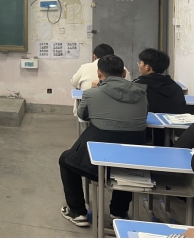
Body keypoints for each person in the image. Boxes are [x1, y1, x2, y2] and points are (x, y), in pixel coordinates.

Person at [59, 55, 148, 227]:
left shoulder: (92, 93)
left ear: (99, 74)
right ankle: (119, 211)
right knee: (126, 163)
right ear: (124, 73)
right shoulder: (141, 93)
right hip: (134, 161)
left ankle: (78, 212)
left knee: (65, 160)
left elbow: (82, 115)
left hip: (97, 164)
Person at [134, 49, 185, 114]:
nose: (139, 65)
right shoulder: (176, 87)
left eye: (140, 63)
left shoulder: (137, 86)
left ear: (147, 67)